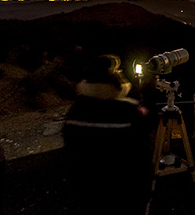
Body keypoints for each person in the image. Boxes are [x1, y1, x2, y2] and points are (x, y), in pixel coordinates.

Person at [63, 54, 150, 214]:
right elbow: (143, 149)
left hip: (86, 190)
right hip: (123, 188)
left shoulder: (75, 112)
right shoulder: (129, 111)